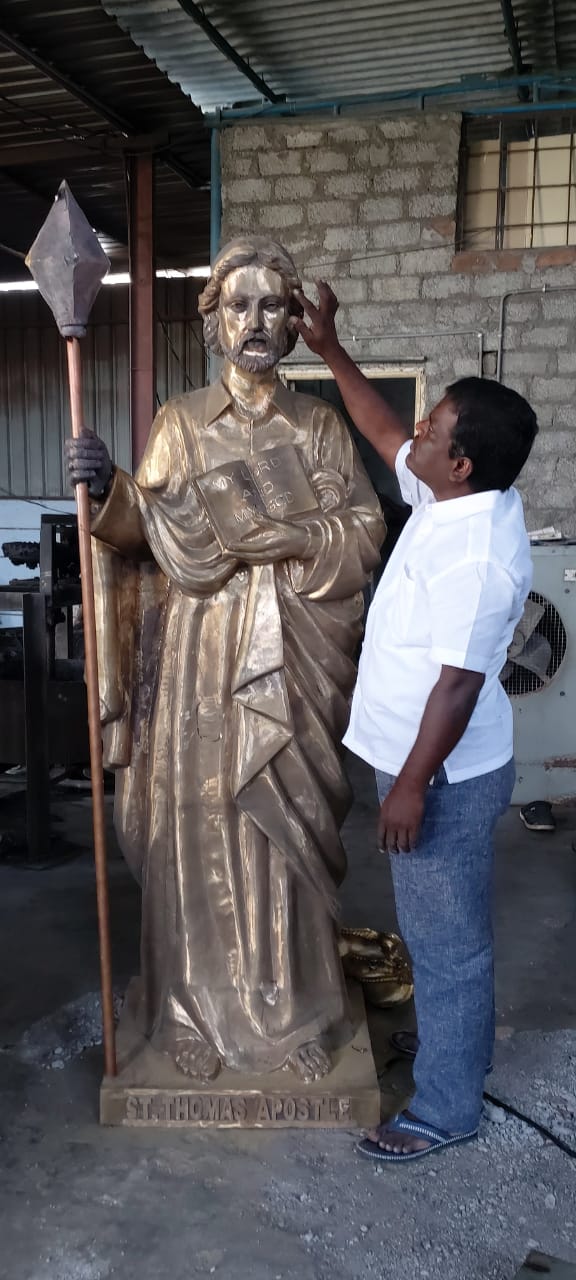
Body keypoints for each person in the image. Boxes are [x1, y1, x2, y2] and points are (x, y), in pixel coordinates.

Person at [65, 239, 384, 1086]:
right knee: (197, 826)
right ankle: (187, 1010)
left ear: (292, 323)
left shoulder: (317, 428)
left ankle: (298, 1011)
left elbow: (363, 531)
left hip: (289, 658)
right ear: (213, 322)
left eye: (274, 306)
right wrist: (106, 488)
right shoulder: (180, 421)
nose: (257, 322)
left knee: (284, 838)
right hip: (200, 657)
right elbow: (146, 532)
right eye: (238, 305)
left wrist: (294, 539)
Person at [292, 282, 538, 1162]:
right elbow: (382, 432)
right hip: (422, 766)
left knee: (447, 947)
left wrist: (406, 787)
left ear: (462, 462)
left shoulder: (481, 555)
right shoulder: (450, 497)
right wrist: (329, 349)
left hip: (442, 778)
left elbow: (458, 687)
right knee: (438, 937)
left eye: (433, 430)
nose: (418, 435)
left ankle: (444, 1109)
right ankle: (444, 1054)